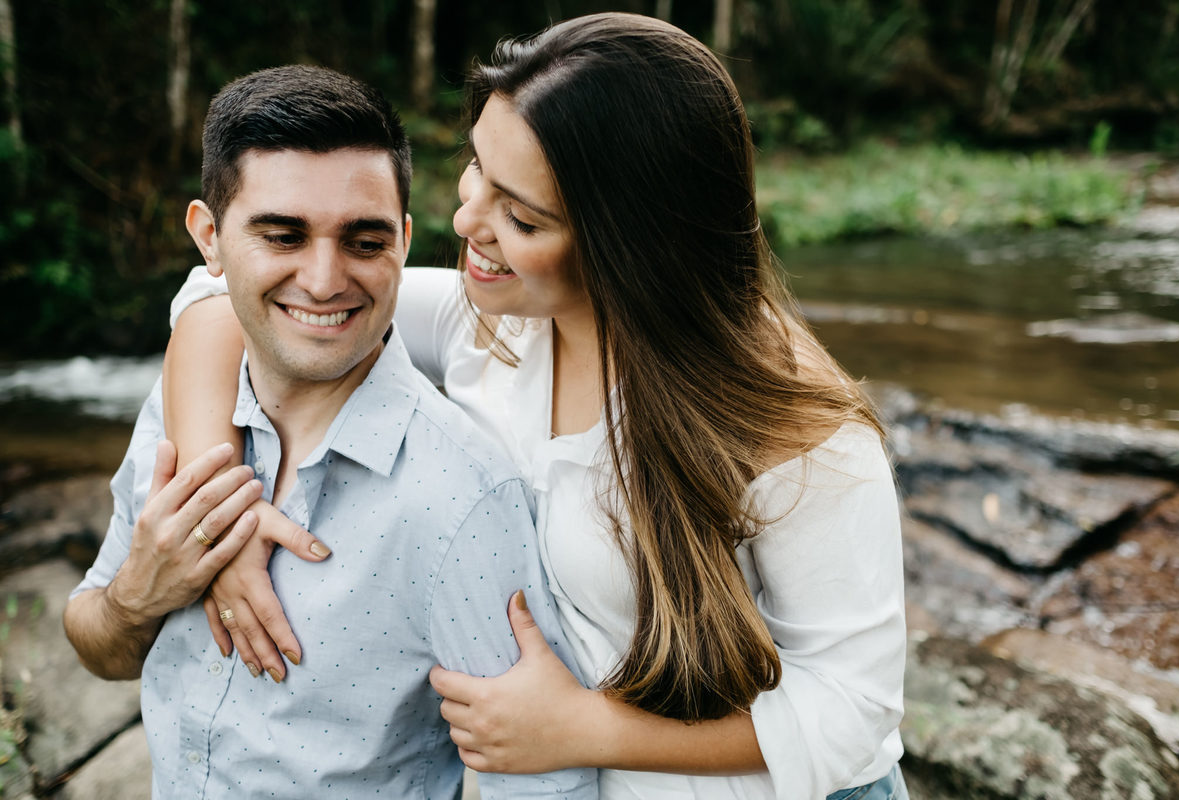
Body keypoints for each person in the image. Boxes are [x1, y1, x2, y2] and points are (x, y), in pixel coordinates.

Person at [165, 14, 908, 800]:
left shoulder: (788, 422)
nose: (465, 223)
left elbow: (853, 707)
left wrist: (585, 729)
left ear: (631, 240)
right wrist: (221, 516)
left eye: (522, 218)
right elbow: (220, 293)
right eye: (476, 169)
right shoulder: (491, 325)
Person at [63, 64, 597, 800]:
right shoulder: (180, 411)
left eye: (363, 241)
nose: (323, 279)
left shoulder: (462, 501)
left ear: (405, 243)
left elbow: (549, 784)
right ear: (208, 239)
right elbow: (101, 647)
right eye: (282, 236)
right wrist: (136, 596)